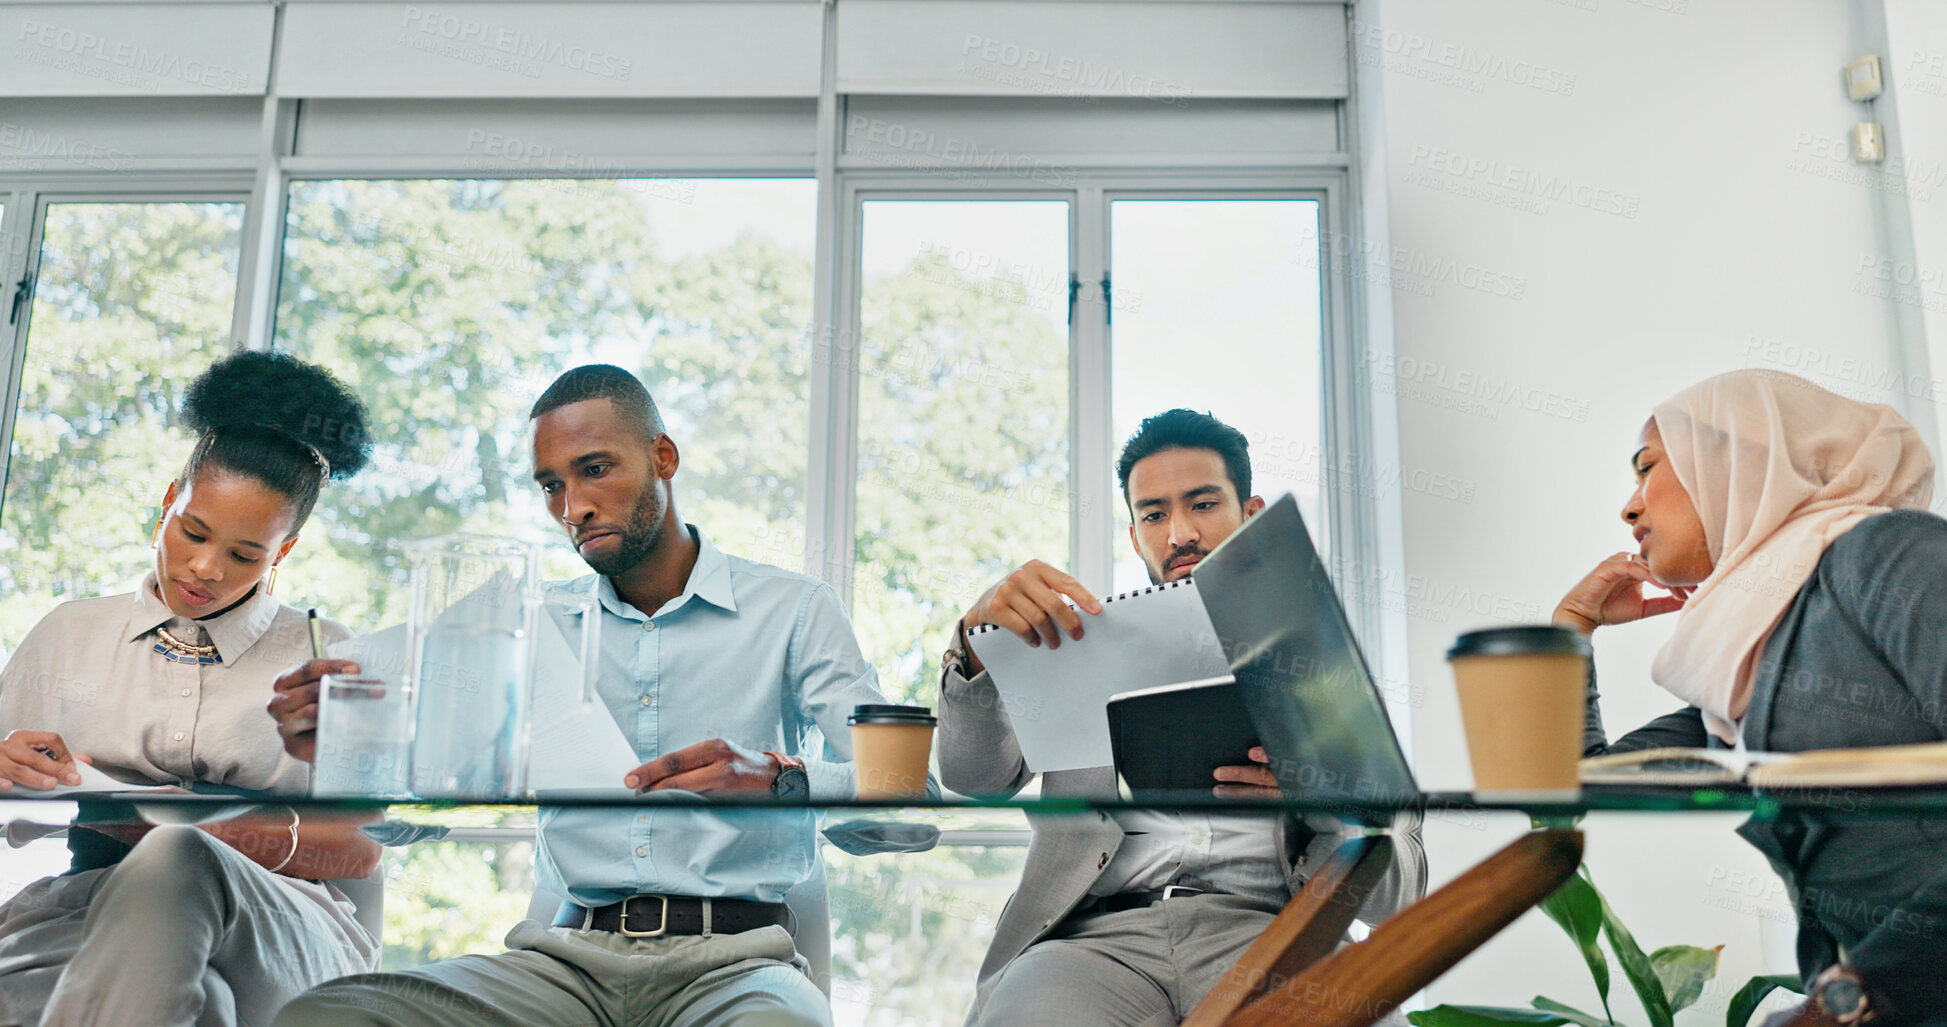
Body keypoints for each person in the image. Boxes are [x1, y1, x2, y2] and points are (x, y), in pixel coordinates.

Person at [269, 364, 896, 1027]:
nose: (572, 508)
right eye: (551, 485)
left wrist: (786, 781)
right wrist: (342, 750)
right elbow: (413, 817)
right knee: (328, 1014)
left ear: (663, 456)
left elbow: (911, 809)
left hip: (737, 966)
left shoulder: (794, 609)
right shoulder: (526, 620)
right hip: (564, 963)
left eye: (594, 469)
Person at [937, 408, 1427, 1026]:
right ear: (1136, 534)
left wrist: (1320, 800)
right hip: (1092, 946)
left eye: (1202, 504)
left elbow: (1400, 895)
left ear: (1250, 516)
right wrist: (974, 642)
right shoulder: (1071, 648)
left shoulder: (1328, 673)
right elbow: (972, 776)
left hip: (1272, 935)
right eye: (1154, 515)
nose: (1179, 535)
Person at [0, 351, 383, 1027]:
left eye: (244, 554)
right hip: (87, 905)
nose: (205, 567)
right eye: (194, 531)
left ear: (283, 553)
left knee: (178, 853)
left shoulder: (325, 652)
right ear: (167, 505)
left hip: (286, 922)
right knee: (205, 1006)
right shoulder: (70, 632)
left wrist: (179, 826)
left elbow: (358, 850)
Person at [1557, 369, 1946, 1024]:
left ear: (1736, 458)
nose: (1629, 508)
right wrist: (1570, 629)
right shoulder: (1738, 668)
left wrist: (1846, 1001)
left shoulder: (1885, 552)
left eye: (1646, 467)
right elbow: (1575, 786)